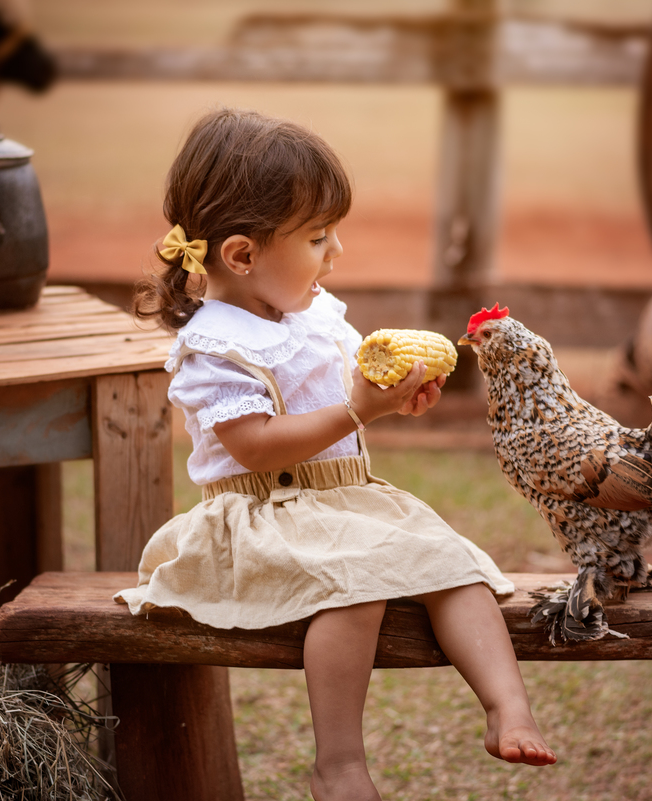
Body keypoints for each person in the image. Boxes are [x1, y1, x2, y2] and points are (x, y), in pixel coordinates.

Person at [116, 107, 555, 801]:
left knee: (455, 562)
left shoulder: (316, 313)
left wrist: (391, 398)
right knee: (357, 587)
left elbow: (350, 395)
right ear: (241, 255)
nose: (336, 252)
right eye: (319, 238)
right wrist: (354, 410)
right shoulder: (216, 347)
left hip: (348, 499)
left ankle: (508, 705)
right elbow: (255, 448)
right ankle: (340, 761)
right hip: (263, 514)